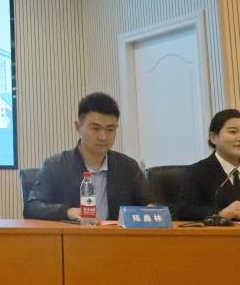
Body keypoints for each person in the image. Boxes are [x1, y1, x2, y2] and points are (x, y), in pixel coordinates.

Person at [24, 92, 154, 221]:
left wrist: (152, 210)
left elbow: (151, 205)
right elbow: (31, 207)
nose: (103, 137)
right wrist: (67, 211)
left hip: (116, 234)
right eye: (95, 128)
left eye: (110, 129)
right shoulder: (55, 166)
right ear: (78, 127)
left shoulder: (128, 167)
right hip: (75, 234)